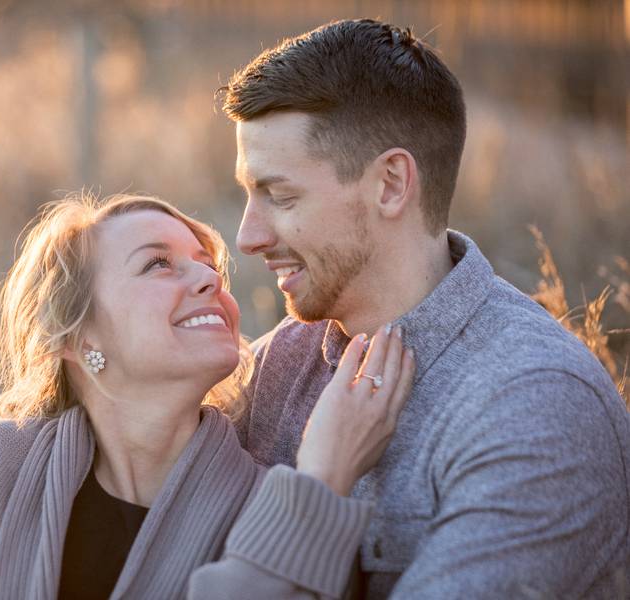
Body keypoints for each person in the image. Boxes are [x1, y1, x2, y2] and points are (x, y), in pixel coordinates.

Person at [208, 18, 630, 598]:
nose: (247, 236)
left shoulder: (537, 404)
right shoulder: (280, 362)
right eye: (247, 193)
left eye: (280, 196)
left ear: (390, 184)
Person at [0, 193, 415, 600]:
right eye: (158, 263)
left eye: (210, 266)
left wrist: (319, 489)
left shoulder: (275, 506)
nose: (209, 280)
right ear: (78, 335)